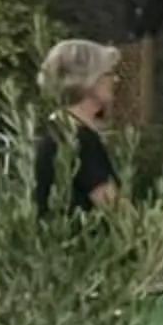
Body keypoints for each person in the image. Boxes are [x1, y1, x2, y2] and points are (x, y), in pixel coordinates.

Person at [32, 40, 121, 217]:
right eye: (109, 73)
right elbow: (118, 212)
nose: (116, 79)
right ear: (88, 79)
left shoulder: (57, 130)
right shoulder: (78, 140)